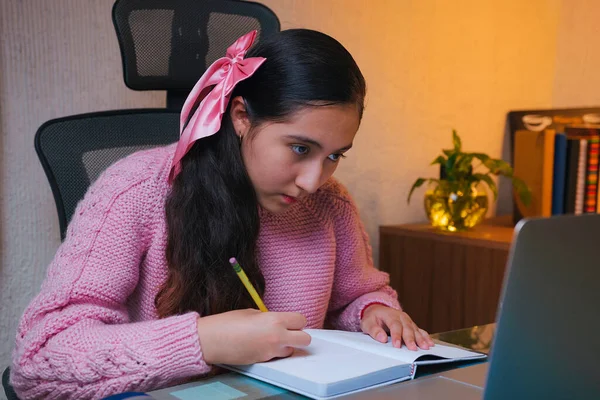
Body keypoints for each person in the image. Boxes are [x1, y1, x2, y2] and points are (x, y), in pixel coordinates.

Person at [11, 29, 433, 399]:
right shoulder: (135, 192)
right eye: (300, 149)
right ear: (241, 117)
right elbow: (40, 360)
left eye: (334, 155)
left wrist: (373, 311)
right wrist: (201, 341)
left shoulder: (330, 204)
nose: (313, 180)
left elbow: (356, 294)